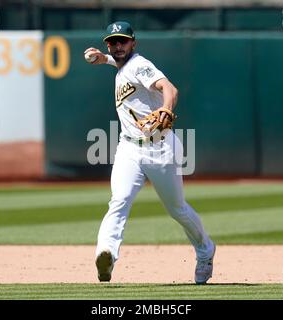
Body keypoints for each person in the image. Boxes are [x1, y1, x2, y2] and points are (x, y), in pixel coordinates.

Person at [84, 21, 216, 285]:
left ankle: (205, 251)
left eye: (123, 41)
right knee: (119, 200)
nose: (117, 46)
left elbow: (170, 88)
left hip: (161, 147)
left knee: (177, 209)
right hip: (129, 148)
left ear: (134, 43)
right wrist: (104, 59)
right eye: (112, 41)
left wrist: (167, 107)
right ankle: (106, 254)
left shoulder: (141, 65)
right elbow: (120, 62)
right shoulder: (122, 63)